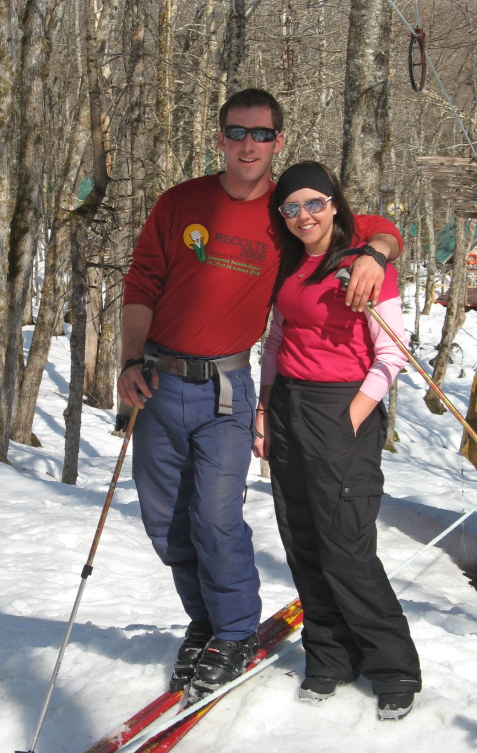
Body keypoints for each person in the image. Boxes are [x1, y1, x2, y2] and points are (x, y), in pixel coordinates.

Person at [117, 88, 404, 703]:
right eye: (237, 132)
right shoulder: (180, 201)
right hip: (161, 381)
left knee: (216, 518)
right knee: (165, 524)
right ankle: (204, 623)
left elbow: (370, 225)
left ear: (277, 141)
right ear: (219, 137)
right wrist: (128, 360)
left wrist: (376, 253)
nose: (249, 144)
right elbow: (142, 279)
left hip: (226, 384)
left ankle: (235, 631)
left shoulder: (283, 212)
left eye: (262, 134)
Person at [253, 160, 421, 720]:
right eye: (292, 207)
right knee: (301, 536)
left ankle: (392, 665)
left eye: (315, 204)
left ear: (333, 204)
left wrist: (352, 415)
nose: (304, 216)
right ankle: (328, 657)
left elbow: (391, 353)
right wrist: (264, 406)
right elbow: (276, 338)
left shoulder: (364, 265)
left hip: (341, 405)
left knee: (346, 543)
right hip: (288, 405)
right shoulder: (290, 265)